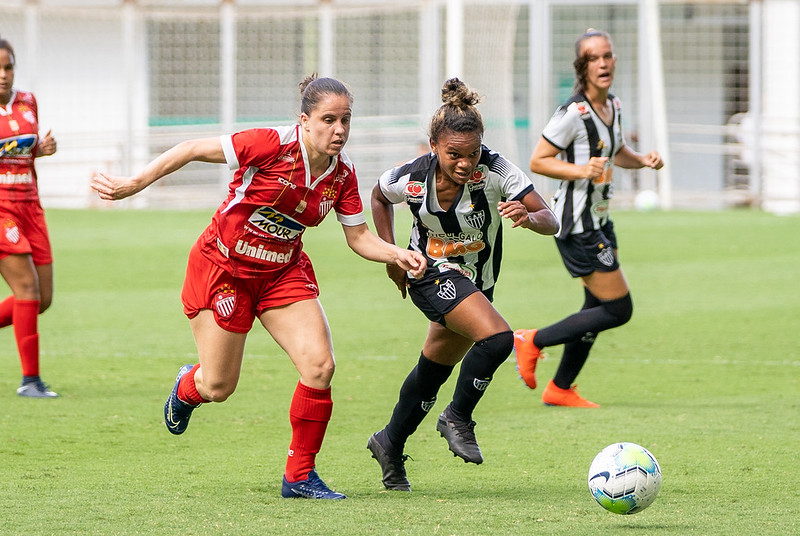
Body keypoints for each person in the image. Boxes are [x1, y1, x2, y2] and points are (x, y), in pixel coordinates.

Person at [90, 75, 426, 500]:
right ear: (304, 121)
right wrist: (133, 184)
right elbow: (192, 148)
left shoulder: (342, 176)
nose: (339, 130)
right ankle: (187, 387)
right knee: (218, 387)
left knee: (320, 366)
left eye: (346, 120)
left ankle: (299, 476)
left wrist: (396, 254)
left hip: (282, 273)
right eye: (328, 119)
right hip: (223, 269)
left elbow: (359, 238)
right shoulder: (269, 144)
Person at [367, 78, 558, 491]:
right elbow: (379, 196)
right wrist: (390, 255)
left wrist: (529, 219)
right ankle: (457, 417)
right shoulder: (413, 178)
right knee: (498, 339)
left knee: (432, 369)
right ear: (433, 145)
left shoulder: (497, 170)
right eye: (455, 154)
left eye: (472, 154)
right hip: (429, 272)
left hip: (478, 284)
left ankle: (389, 442)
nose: (465, 163)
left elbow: (550, 218)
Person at [515, 29, 664, 407]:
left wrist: (642, 160)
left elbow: (617, 152)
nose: (602, 63)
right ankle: (532, 340)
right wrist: (582, 170)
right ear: (581, 67)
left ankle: (560, 388)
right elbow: (538, 161)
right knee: (617, 309)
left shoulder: (613, 105)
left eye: (607, 56)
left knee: (593, 308)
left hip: (600, 219)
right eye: (593, 58)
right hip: (576, 224)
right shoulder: (573, 113)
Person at [0, 38, 59, 398]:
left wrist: (42, 148)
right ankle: (30, 381)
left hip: (31, 207)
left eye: (7, 67)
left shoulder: (28, 101)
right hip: (0, 208)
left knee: (43, 298)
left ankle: (31, 381)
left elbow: (26, 150)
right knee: (26, 289)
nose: (2, 75)